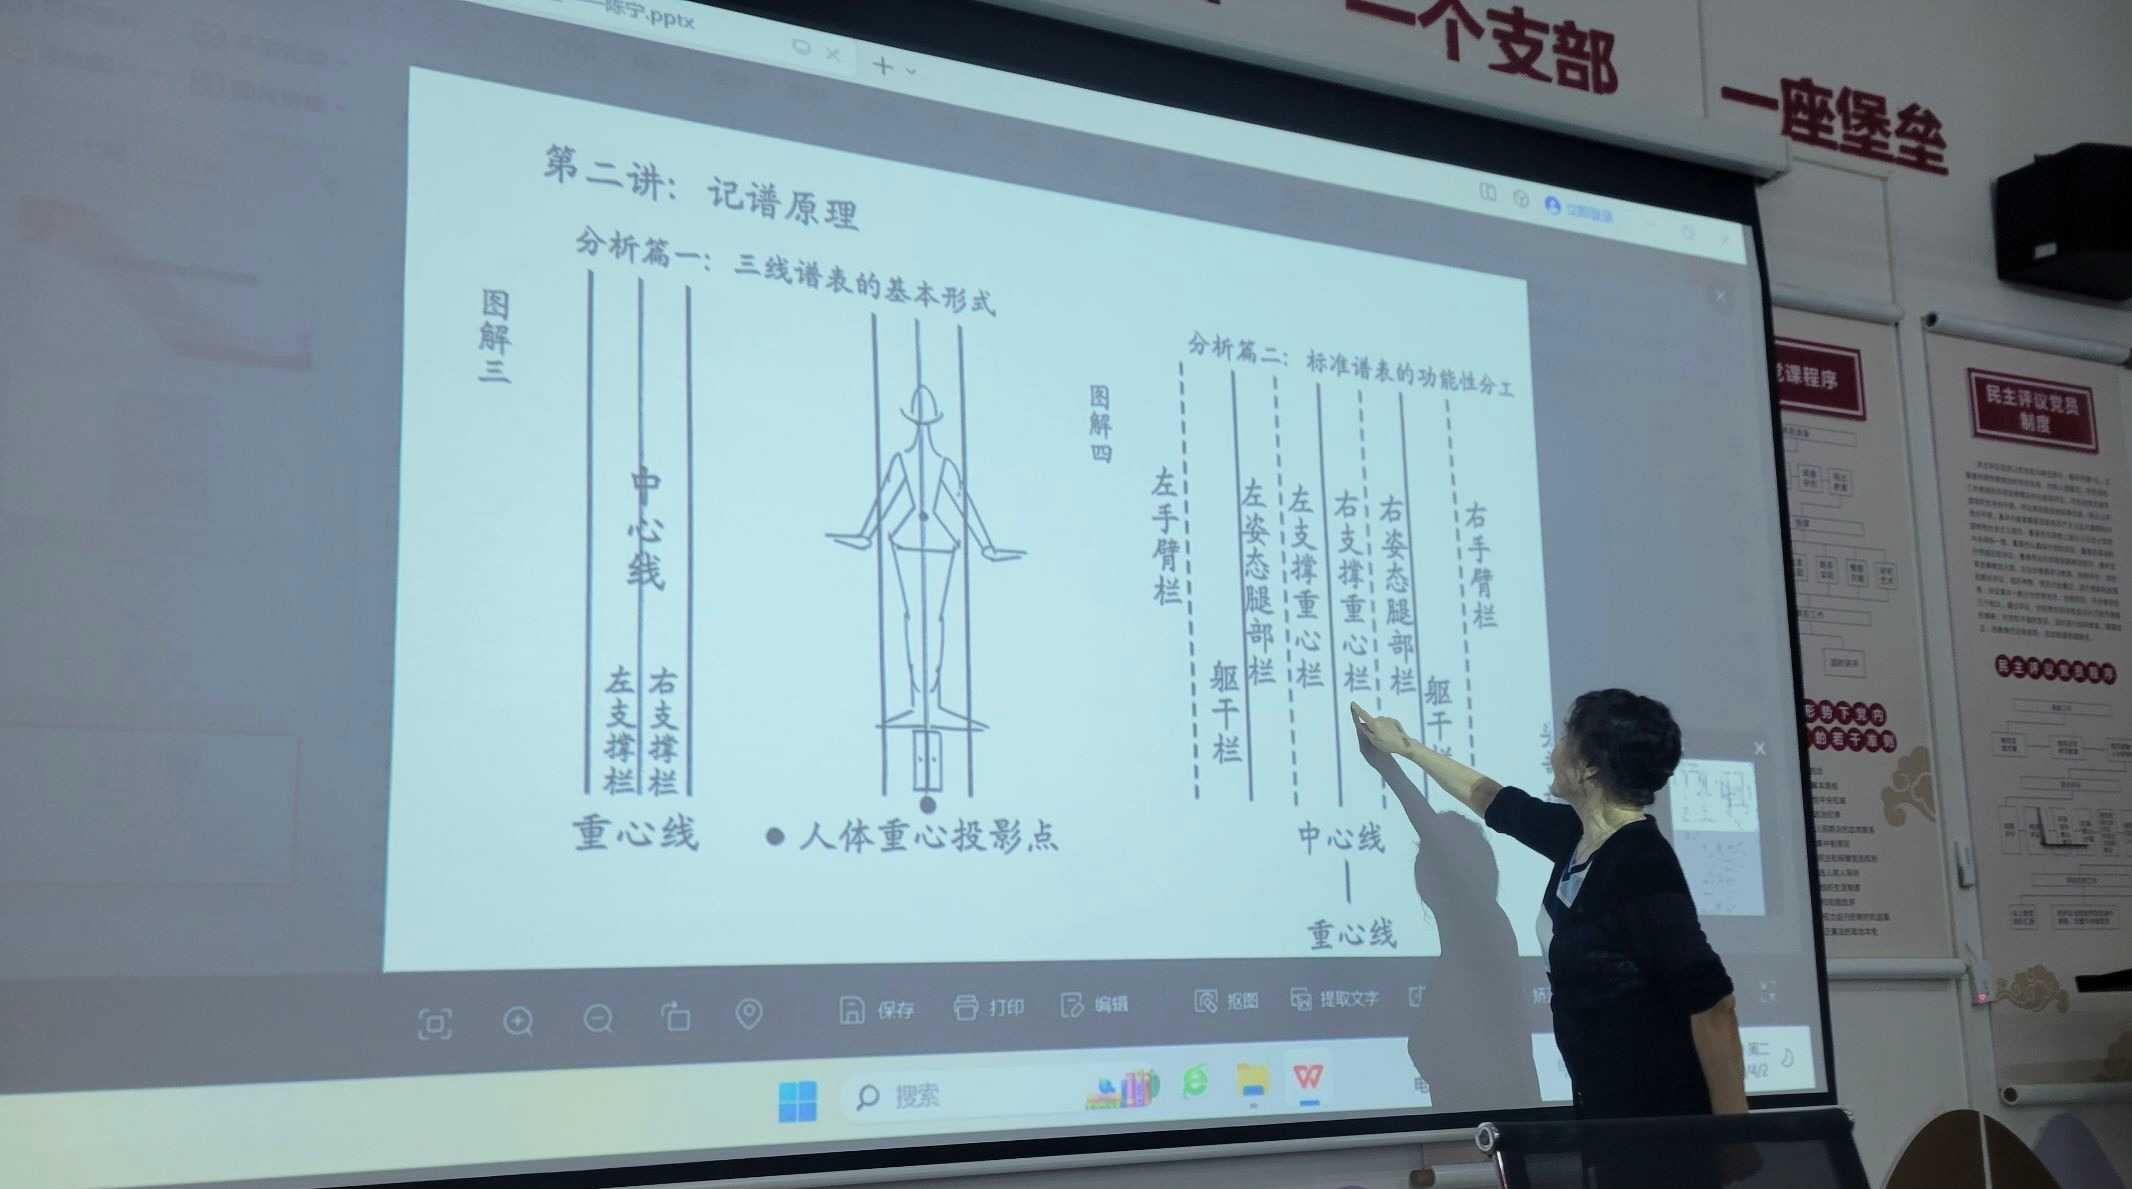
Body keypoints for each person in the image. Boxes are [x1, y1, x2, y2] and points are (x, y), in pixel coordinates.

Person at [1350, 691, 1748, 1123]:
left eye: (1565, 739)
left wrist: (1734, 1135)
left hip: (1658, 1122)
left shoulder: (1642, 865)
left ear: (1590, 766)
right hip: (1608, 1113)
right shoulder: (1579, 837)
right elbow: (1491, 798)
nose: (1553, 751)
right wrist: (1405, 749)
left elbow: (1713, 1001)